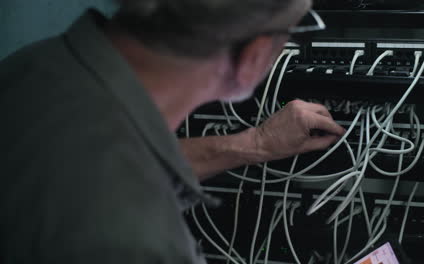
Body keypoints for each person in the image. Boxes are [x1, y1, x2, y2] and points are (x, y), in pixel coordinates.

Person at [0, 0, 345, 263]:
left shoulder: (30, 69)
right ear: (252, 58)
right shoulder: (140, 242)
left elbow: (92, 165)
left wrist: (259, 143)